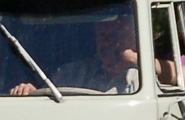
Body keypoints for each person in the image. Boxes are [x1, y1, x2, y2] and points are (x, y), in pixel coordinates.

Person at [10, 11, 140, 95]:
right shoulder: (72, 73)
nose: (107, 43)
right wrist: (29, 91)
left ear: (132, 38)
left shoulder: (143, 73)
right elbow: (48, 97)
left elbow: (160, 73)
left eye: (114, 36)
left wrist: (134, 59)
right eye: (102, 36)